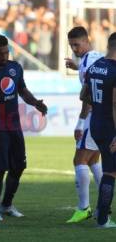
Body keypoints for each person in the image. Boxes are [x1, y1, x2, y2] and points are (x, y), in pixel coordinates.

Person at [0, 35, 47, 221]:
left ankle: (6, 204)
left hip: (14, 124)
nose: (4, 56)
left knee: (19, 165)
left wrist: (35, 102)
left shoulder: (15, 68)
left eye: (6, 52)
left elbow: (22, 90)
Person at [65, 26, 103, 223]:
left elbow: (88, 96)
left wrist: (80, 123)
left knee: (79, 160)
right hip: (105, 116)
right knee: (94, 160)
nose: (74, 49)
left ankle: (84, 208)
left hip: (93, 116)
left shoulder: (88, 63)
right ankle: (104, 206)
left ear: (86, 41)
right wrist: (76, 66)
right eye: (71, 45)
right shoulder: (97, 57)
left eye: (77, 45)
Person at [80, 32, 116, 228]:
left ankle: (102, 214)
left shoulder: (95, 66)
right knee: (111, 172)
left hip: (96, 123)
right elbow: (115, 104)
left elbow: (83, 95)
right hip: (111, 126)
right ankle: (102, 218)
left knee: (109, 168)